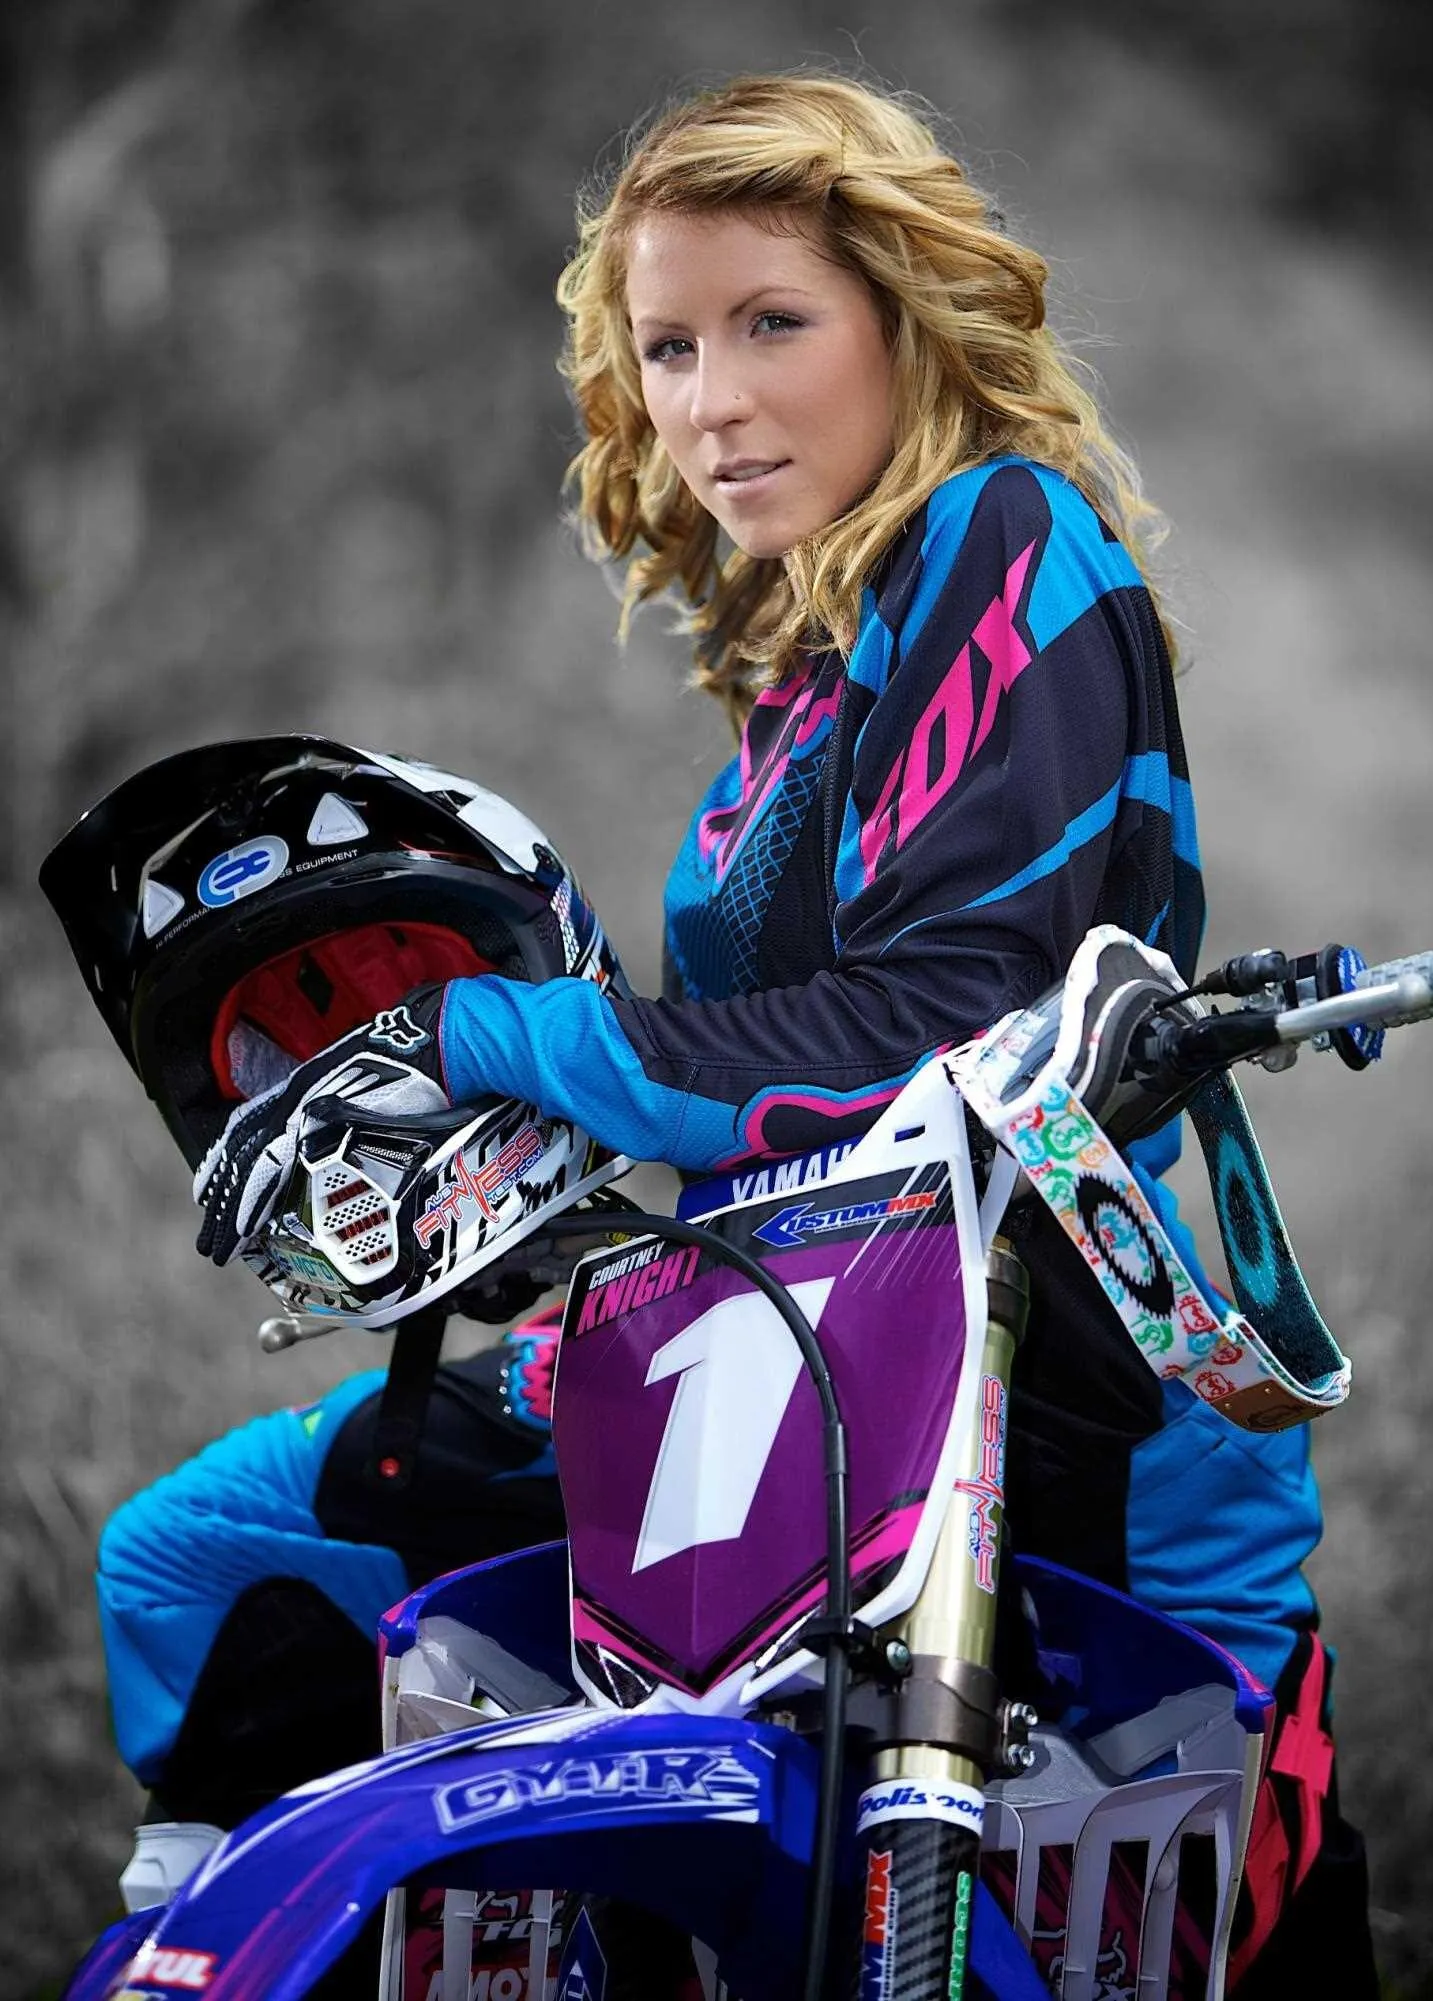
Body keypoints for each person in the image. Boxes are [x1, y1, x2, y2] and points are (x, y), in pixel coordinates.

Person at [98, 70, 1375, 1991]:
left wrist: (491, 1036)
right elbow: (767, 1079)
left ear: (905, 320)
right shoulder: (801, 668)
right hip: (792, 1335)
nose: (711, 400)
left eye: (772, 323)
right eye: (668, 346)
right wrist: (529, 1195)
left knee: (1154, 1899)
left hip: (1060, 1346)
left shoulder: (997, 536)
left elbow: (950, 1021)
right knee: (190, 1554)